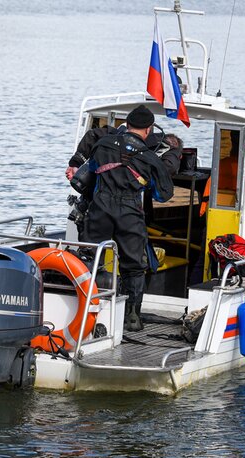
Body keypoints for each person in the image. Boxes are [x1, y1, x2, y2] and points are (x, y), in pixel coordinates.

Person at [81, 105, 174, 332]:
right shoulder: (149, 157)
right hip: (129, 211)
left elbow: (91, 171)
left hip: (100, 207)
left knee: (91, 256)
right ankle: (132, 317)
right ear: (149, 130)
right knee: (133, 266)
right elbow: (164, 195)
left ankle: (85, 307)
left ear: (127, 124)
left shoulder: (102, 145)